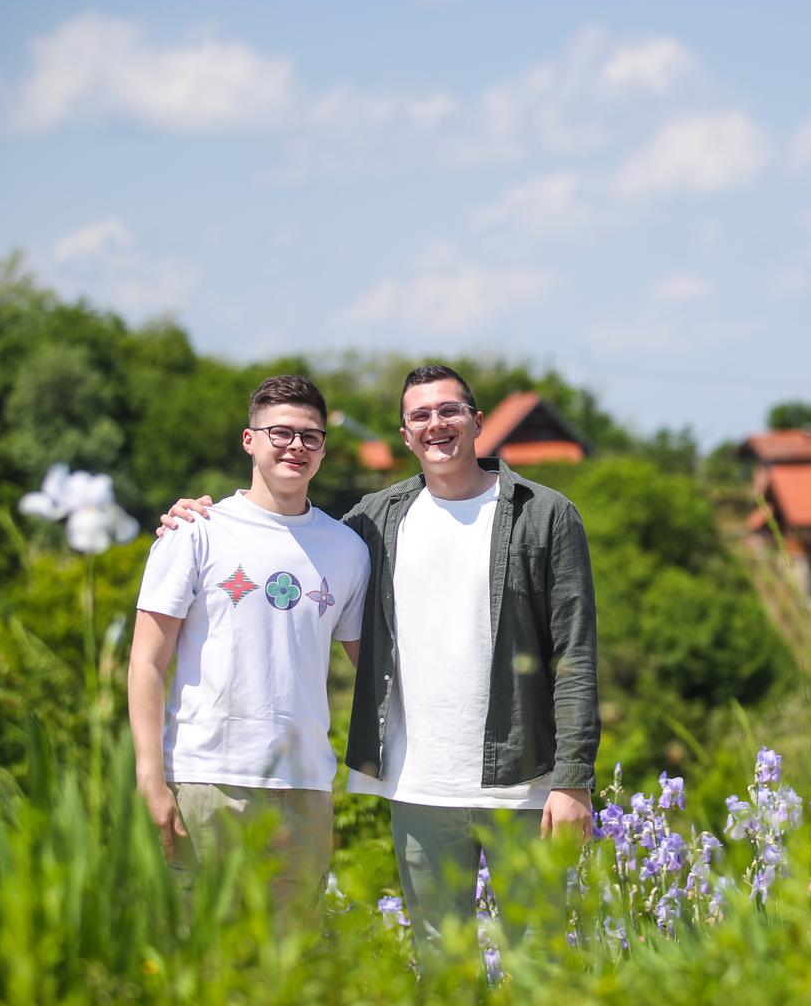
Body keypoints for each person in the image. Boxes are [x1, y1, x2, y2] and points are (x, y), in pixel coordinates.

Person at [160, 363, 599, 953]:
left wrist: (573, 780)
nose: (436, 424)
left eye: (449, 410)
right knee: (440, 963)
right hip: (417, 785)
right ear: (404, 434)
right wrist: (196, 516)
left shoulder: (544, 514)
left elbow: (575, 656)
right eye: (420, 415)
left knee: (539, 958)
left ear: (477, 421)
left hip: (526, 782)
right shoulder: (373, 521)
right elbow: (286, 535)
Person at [128, 374, 370, 918]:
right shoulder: (195, 531)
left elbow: (374, 668)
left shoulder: (348, 550)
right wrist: (149, 775)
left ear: (323, 448)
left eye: (311, 437)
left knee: (292, 957)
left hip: (306, 786)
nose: (296, 447)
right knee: (203, 951)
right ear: (249, 440)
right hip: (208, 779)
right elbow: (146, 662)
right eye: (280, 433)